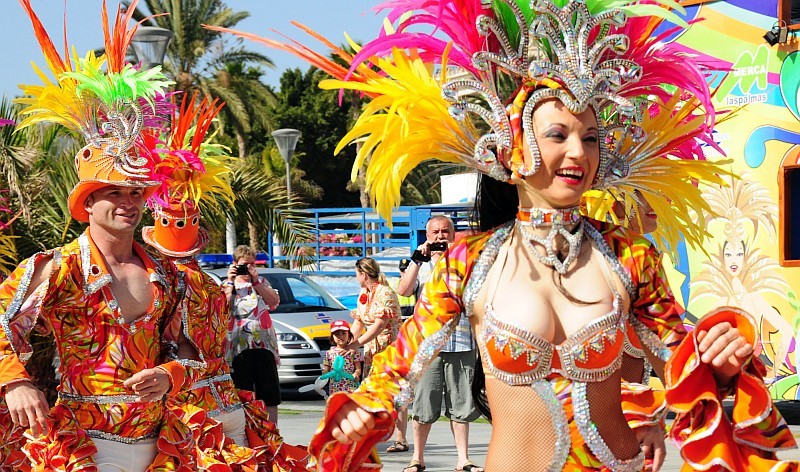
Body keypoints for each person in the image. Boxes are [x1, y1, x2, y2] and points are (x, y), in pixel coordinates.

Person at [220, 1, 799, 470]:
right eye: (558, 135)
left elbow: (682, 357)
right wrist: (357, 414)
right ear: (513, 150)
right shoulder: (467, 264)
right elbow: (396, 370)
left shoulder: (629, 257)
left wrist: (722, 359)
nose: (578, 153)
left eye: (592, 137)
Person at [0, 2, 201, 468]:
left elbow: (193, 353)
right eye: (113, 192)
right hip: (77, 447)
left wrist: (170, 375)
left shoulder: (168, 276)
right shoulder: (54, 268)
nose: (128, 202)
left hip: (158, 447)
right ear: (87, 202)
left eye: (135, 192)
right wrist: (17, 381)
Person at [141, 92, 312, 470]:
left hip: (189, 410)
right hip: (223, 402)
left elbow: (179, 348)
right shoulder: (205, 283)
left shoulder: (160, 281)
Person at [394, 215, 483, 472]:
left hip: (461, 342)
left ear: (453, 234)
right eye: (435, 232)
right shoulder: (419, 264)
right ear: (427, 234)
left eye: (445, 231)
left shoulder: (465, 261)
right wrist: (417, 260)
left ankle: (463, 459)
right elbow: (403, 290)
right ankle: (417, 458)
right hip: (427, 347)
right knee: (424, 403)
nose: (440, 236)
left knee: (462, 404)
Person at [225, 244, 282, 425]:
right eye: (244, 265)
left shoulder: (261, 282)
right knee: (243, 391)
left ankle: (272, 431)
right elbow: (221, 309)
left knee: (269, 391)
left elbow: (273, 302)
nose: (247, 269)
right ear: (234, 264)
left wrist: (256, 282)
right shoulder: (227, 285)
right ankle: (247, 429)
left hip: (264, 345)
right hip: (238, 347)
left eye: (251, 264)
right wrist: (230, 282)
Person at [348, 257, 401, 375]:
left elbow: (379, 326)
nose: (356, 278)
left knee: (386, 385)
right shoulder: (364, 292)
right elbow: (359, 322)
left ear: (364, 275)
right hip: (371, 347)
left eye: (357, 274)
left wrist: (356, 344)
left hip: (387, 347)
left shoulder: (385, 293)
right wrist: (346, 345)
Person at [323, 319, 363, 394]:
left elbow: (358, 369)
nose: (340, 336)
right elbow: (326, 370)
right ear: (332, 337)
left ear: (349, 335)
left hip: (350, 386)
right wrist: (322, 378)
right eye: (337, 334)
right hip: (335, 387)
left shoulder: (353, 351)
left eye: (343, 333)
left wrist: (356, 374)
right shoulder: (329, 353)